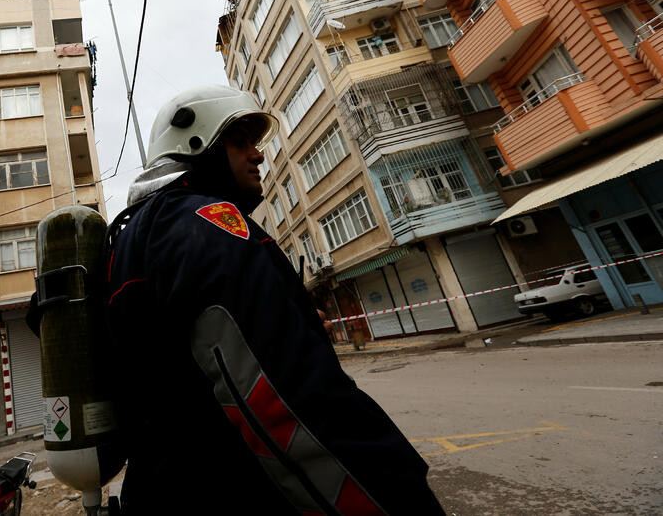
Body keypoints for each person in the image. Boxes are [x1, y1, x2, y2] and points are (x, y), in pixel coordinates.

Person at [105, 86, 444, 515]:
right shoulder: (209, 226)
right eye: (240, 141)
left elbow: (181, 367)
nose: (258, 155)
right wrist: (393, 499)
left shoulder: (128, 239)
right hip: (234, 490)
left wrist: (288, 324)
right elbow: (281, 403)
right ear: (198, 143)